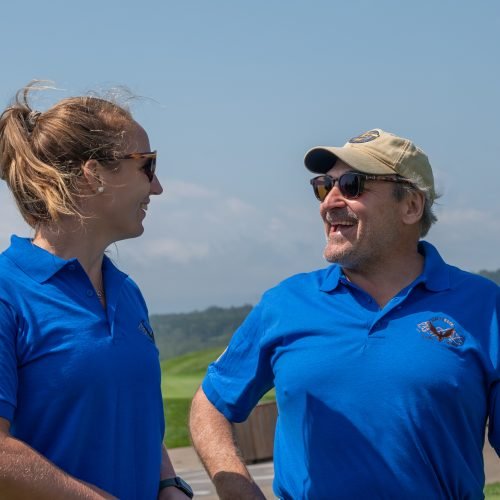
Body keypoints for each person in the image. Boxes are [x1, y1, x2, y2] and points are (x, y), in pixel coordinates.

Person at [189, 128, 500, 499]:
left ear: (411, 206)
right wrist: (237, 490)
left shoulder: (484, 306)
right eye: (324, 186)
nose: (330, 202)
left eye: (353, 185)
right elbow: (210, 405)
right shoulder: (285, 303)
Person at [0, 83, 193, 499]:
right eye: (147, 165)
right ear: (94, 175)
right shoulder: (7, 293)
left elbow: (130, 417)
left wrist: (168, 483)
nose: (157, 187)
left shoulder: (126, 291)